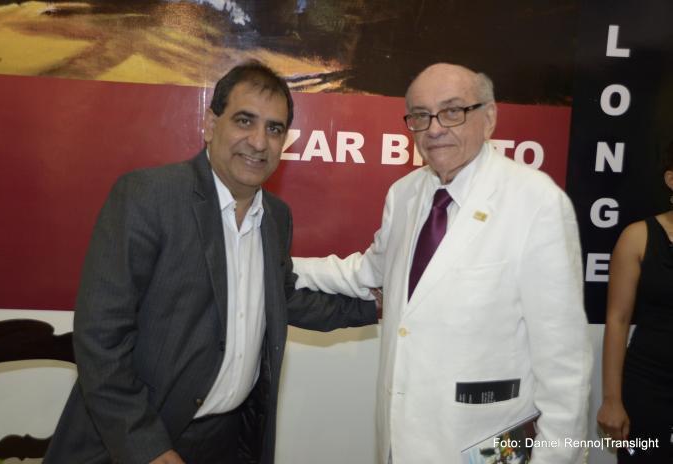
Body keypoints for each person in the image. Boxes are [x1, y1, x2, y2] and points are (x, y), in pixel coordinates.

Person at [44, 61, 377, 464]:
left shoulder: (276, 217)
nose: (259, 142)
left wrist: (373, 307)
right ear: (210, 124)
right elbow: (100, 338)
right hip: (131, 442)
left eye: (274, 129)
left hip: (223, 442)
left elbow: (280, 298)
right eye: (244, 121)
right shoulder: (148, 196)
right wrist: (146, 447)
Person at [293, 63, 592, 463]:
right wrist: (280, 264)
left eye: (452, 111)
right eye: (420, 115)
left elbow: (565, 366)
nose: (434, 129)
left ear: (489, 118)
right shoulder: (404, 194)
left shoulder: (536, 201)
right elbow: (366, 273)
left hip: (486, 443)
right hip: (399, 442)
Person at [597, 144, 673, 463]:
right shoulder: (638, 237)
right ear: (671, 180)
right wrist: (611, 400)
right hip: (647, 388)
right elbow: (617, 319)